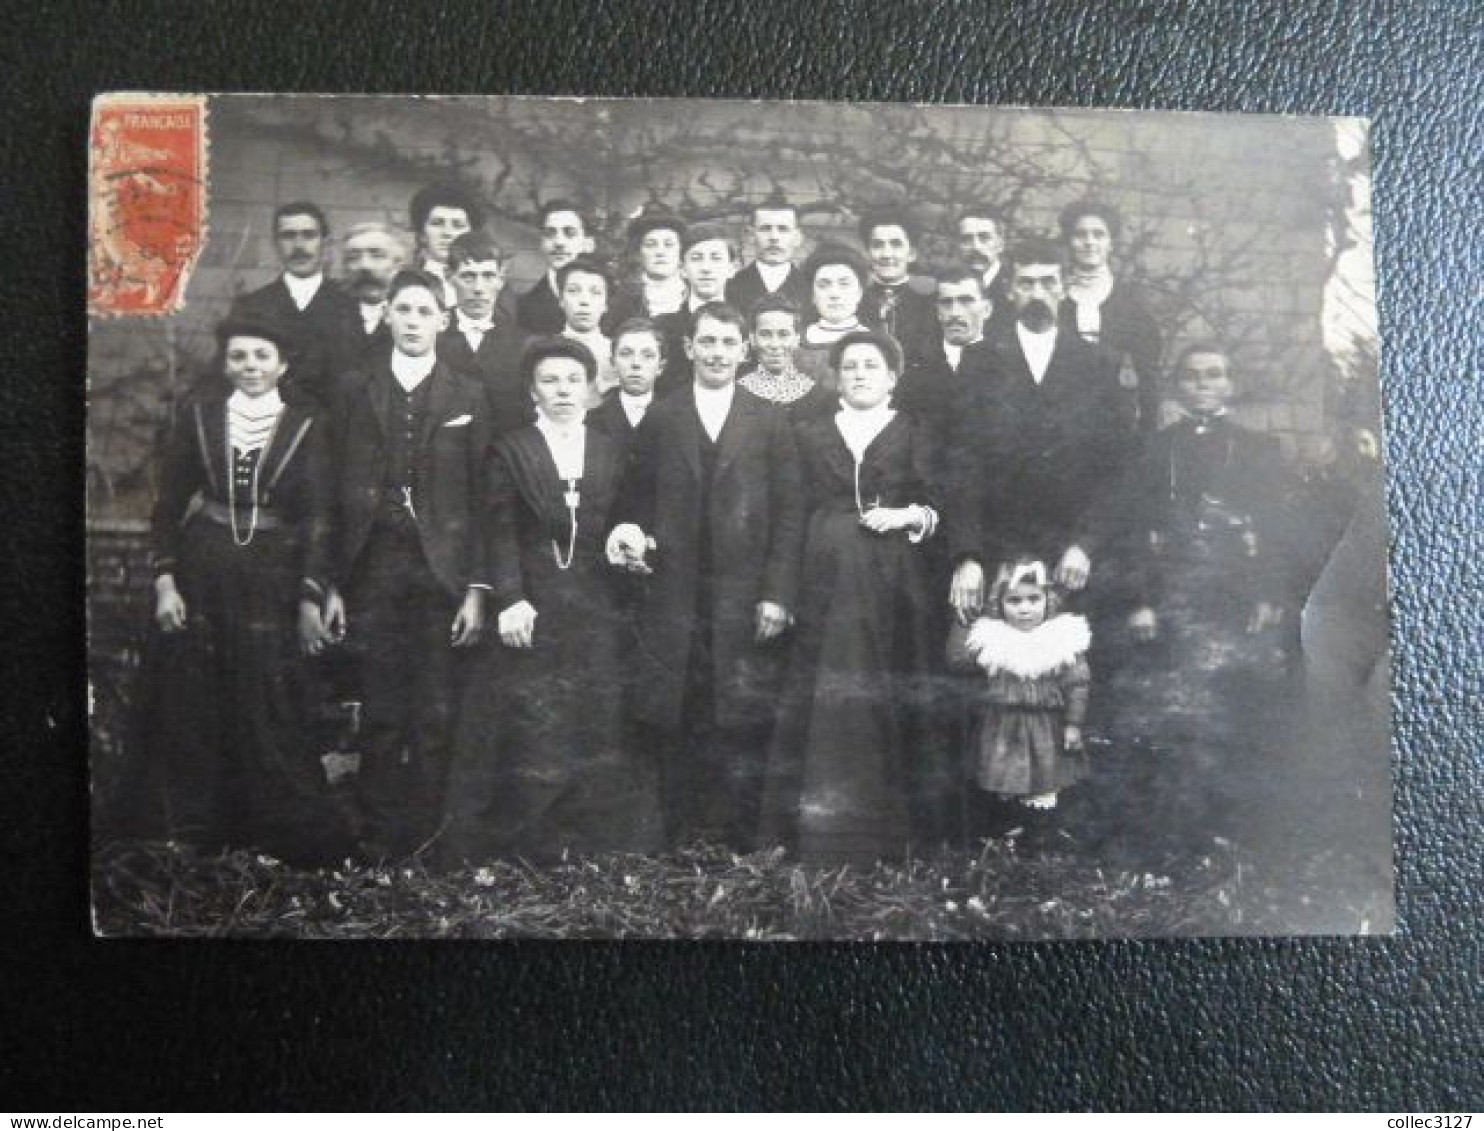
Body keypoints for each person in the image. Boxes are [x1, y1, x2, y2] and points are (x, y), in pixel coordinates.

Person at [443, 338, 661, 863]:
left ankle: (590, 841)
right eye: (550, 381)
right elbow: (497, 531)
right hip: (533, 598)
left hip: (593, 600)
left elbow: (621, 518)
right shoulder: (511, 449)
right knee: (531, 716)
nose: (562, 391)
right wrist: (512, 599)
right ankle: (529, 842)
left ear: (589, 389)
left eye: (572, 381)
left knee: (596, 711)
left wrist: (626, 540)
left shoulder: (609, 449)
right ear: (532, 391)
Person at [140, 317, 344, 863]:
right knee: (197, 702)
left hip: (273, 579)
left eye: (261, 355)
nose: (250, 367)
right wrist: (165, 583)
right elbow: (166, 507)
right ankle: (198, 834)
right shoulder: (200, 416)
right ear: (224, 363)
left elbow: (322, 517)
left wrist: (309, 597)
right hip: (203, 571)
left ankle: (279, 837)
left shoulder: (308, 423)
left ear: (282, 364)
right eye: (238, 357)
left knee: (270, 702)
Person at [606, 302, 805, 850]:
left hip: (744, 595)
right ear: (689, 349)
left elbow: (791, 514)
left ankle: (743, 831)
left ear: (745, 351)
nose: (718, 353)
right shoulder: (662, 418)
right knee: (681, 708)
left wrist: (777, 595)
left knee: (742, 708)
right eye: (707, 342)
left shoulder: (769, 420)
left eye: (728, 343)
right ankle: (679, 828)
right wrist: (634, 536)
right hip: (675, 592)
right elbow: (634, 500)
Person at [762, 330, 950, 864]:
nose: (861, 374)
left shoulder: (916, 431)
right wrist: (784, 589)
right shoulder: (808, 432)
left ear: (892, 377)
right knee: (828, 688)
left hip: (896, 583)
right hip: (826, 578)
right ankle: (824, 834)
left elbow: (940, 502)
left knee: (889, 686)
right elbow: (790, 510)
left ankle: (896, 836)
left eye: (872, 366)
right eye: (850, 367)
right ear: (836, 377)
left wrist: (908, 514)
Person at [328, 269, 490, 860]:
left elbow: (481, 498)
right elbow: (333, 488)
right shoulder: (355, 387)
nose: (416, 321)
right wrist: (333, 584)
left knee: (435, 709)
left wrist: (476, 588)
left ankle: (428, 838)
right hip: (372, 567)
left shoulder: (468, 394)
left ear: (444, 321)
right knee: (380, 706)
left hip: (441, 574)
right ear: (389, 316)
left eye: (427, 311)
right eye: (406, 310)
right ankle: (376, 835)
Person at [946, 237, 1135, 627]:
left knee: (1073, 677)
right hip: (1000, 548)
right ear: (1010, 291)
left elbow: (1117, 468)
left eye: (1048, 282)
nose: (1038, 293)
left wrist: (1086, 545)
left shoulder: (1100, 364)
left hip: (1073, 554)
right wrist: (968, 556)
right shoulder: (979, 363)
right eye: (1027, 283)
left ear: (1064, 288)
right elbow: (962, 465)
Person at [961, 559, 1091, 832]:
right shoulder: (992, 640)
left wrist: (1073, 724)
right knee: (1002, 777)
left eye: (1034, 599)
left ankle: (1041, 833)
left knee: (1047, 777)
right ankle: (1005, 831)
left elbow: (1078, 683)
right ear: (999, 604)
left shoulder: (1060, 639)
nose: (1024, 609)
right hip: (1002, 727)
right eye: (1014, 600)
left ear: (1048, 600)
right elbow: (957, 659)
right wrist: (959, 620)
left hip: (1045, 726)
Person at [229, 201, 356, 406]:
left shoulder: (350, 305)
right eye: (288, 236)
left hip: (337, 427)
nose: (299, 246)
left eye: (308, 235)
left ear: (325, 242)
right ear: (275, 244)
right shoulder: (252, 306)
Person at [1058, 199, 1164, 439]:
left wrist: (1147, 437)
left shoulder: (1133, 305)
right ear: (1069, 242)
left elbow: (1149, 380)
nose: (1089, 242)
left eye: (1099, 235)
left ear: (1111, 243)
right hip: (1061, 427)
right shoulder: (1055, 301)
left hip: (1117, 429)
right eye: (1080, 235)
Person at [894, 266, 1002, 444]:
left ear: (987, 309)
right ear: (937, 312)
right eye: (946, 303)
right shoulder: (916, 371)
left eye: (966, 301)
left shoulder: (1008, 367)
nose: (955, 313)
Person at [436, 231, 527, 436]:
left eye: (488, 276)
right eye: (468, 276)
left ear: (501, 279)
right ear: (449, 276)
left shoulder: (521, 343)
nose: (478, 288)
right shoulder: (433, 335)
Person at [858, 209, 938, 364]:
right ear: (867, 252)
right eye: (877, 245)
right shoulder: (856, 298)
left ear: (912, 254)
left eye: (896, 245)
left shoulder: (932, 297)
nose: (886, 254)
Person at [737, 294, 833, 418]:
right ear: (752, 339)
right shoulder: (737, 394)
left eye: (783, 334)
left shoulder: (818, 396)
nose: (775, 344)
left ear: (796, 338)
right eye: (765, 334)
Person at [331, 221, 407, 374]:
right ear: (345, 268)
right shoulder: (328, 317)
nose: (365, 266)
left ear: (398, 264)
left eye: (377, 255)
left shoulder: (414, 314)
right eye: (353, 258)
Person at [794, 242, 873, 388]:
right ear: (812, 295)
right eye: (824, 285)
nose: (834, 294)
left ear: (859, 293)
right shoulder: (795, 342)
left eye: (844, 284)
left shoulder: (876, 342)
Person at [515, 199, 596, 335]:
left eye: (569, 233)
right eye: (550, 233)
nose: (559, 242)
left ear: (587, 243)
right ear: (541, 242)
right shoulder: (524, 307)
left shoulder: (610, 301)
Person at [587, 317, 668, 450]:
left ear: (660, 366)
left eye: (647, 355)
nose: (636, 363)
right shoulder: (591, 420)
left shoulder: (676, 420)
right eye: (626, 354)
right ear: (613, 363)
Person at [725, 196, 810, 314]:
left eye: (783, 229)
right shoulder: (730, 286)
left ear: (797, 238)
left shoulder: (810, 288)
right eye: (765, 229)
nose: (774, 237)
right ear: (750, 236)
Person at [408, 183, 483, 310]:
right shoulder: (405, 283)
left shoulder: (489, 287)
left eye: (458, 225)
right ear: (422, 234)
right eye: (437, 223)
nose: (447, 233)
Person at [608, 205, 687, 324]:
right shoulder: (624, 298)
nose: (660, 252)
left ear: (680, 250)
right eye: (651, 245)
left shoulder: (692, 294)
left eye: (669, 244)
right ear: (639, 252)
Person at [555, 255, 615, 394]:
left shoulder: (616, 354)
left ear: (606, 304)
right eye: (573, 291)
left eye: (595, 292)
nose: (584, 301)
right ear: (561, 299)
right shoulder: (544, 350)